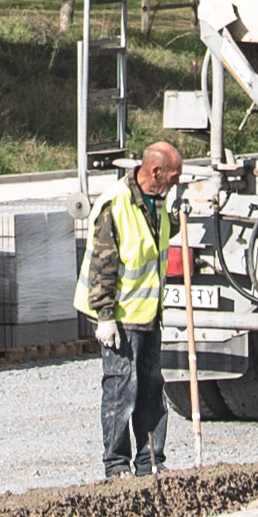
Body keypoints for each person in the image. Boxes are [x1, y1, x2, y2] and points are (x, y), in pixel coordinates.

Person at [83, 140, 180, 478]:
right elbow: (103, 265)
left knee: (152, 391)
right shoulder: (117, 204)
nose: (176, 182)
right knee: (120, 391)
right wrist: (105, 316)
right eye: (174, 175)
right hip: (121, 319)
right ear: (155, 172)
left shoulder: (157, 203)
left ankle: (150, 460)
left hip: (149, 317)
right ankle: (116, 465)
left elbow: (155, 245)